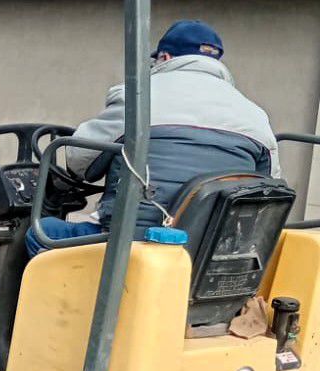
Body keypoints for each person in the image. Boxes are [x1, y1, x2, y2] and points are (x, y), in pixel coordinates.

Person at [27, 20, 279, 255]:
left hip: (131, 244)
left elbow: (79, 162)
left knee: (43, 232)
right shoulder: (255, 115)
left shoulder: (137, 98)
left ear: (165, 57)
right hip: (212, 253)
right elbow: (270, 186)